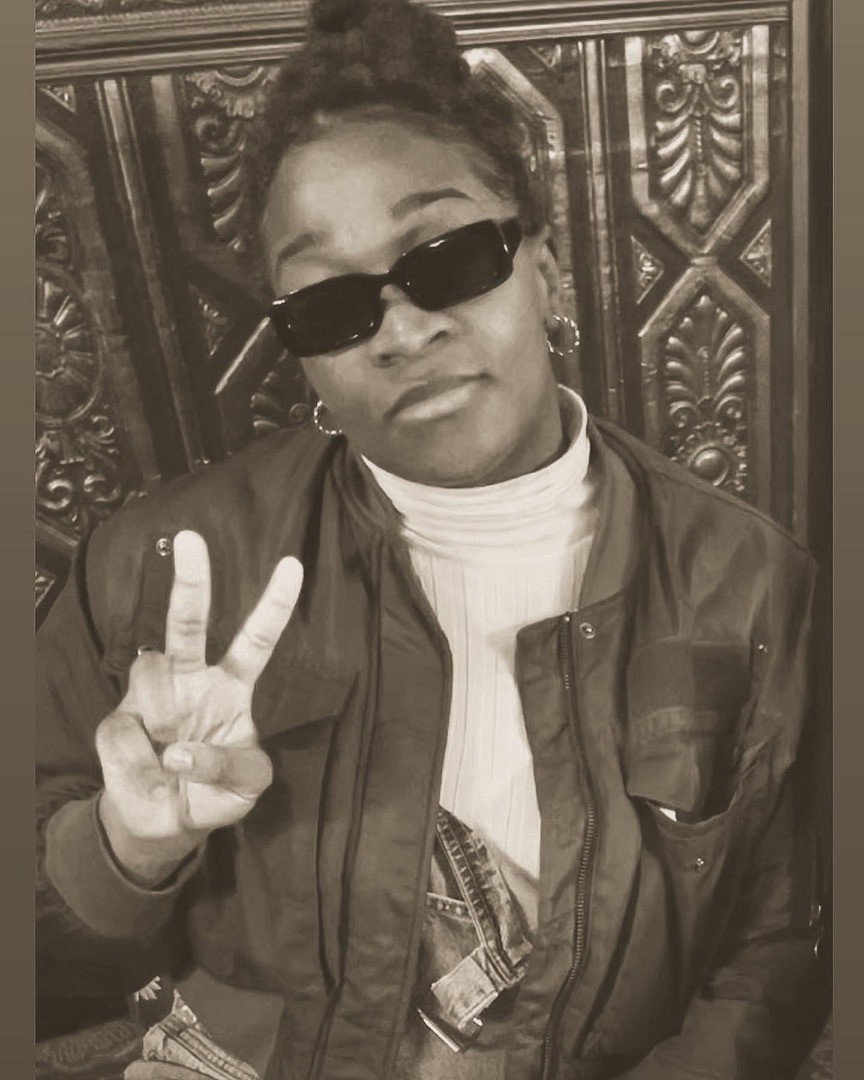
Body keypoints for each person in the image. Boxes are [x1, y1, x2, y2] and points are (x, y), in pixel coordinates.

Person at [36, 1, 827, 1078]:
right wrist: (130, 845)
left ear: (544, 270)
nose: (404, 330)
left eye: (447, 259)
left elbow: (773, 954)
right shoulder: (163, 566)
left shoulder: (747, 583)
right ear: (304, 356)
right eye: (331, 304)